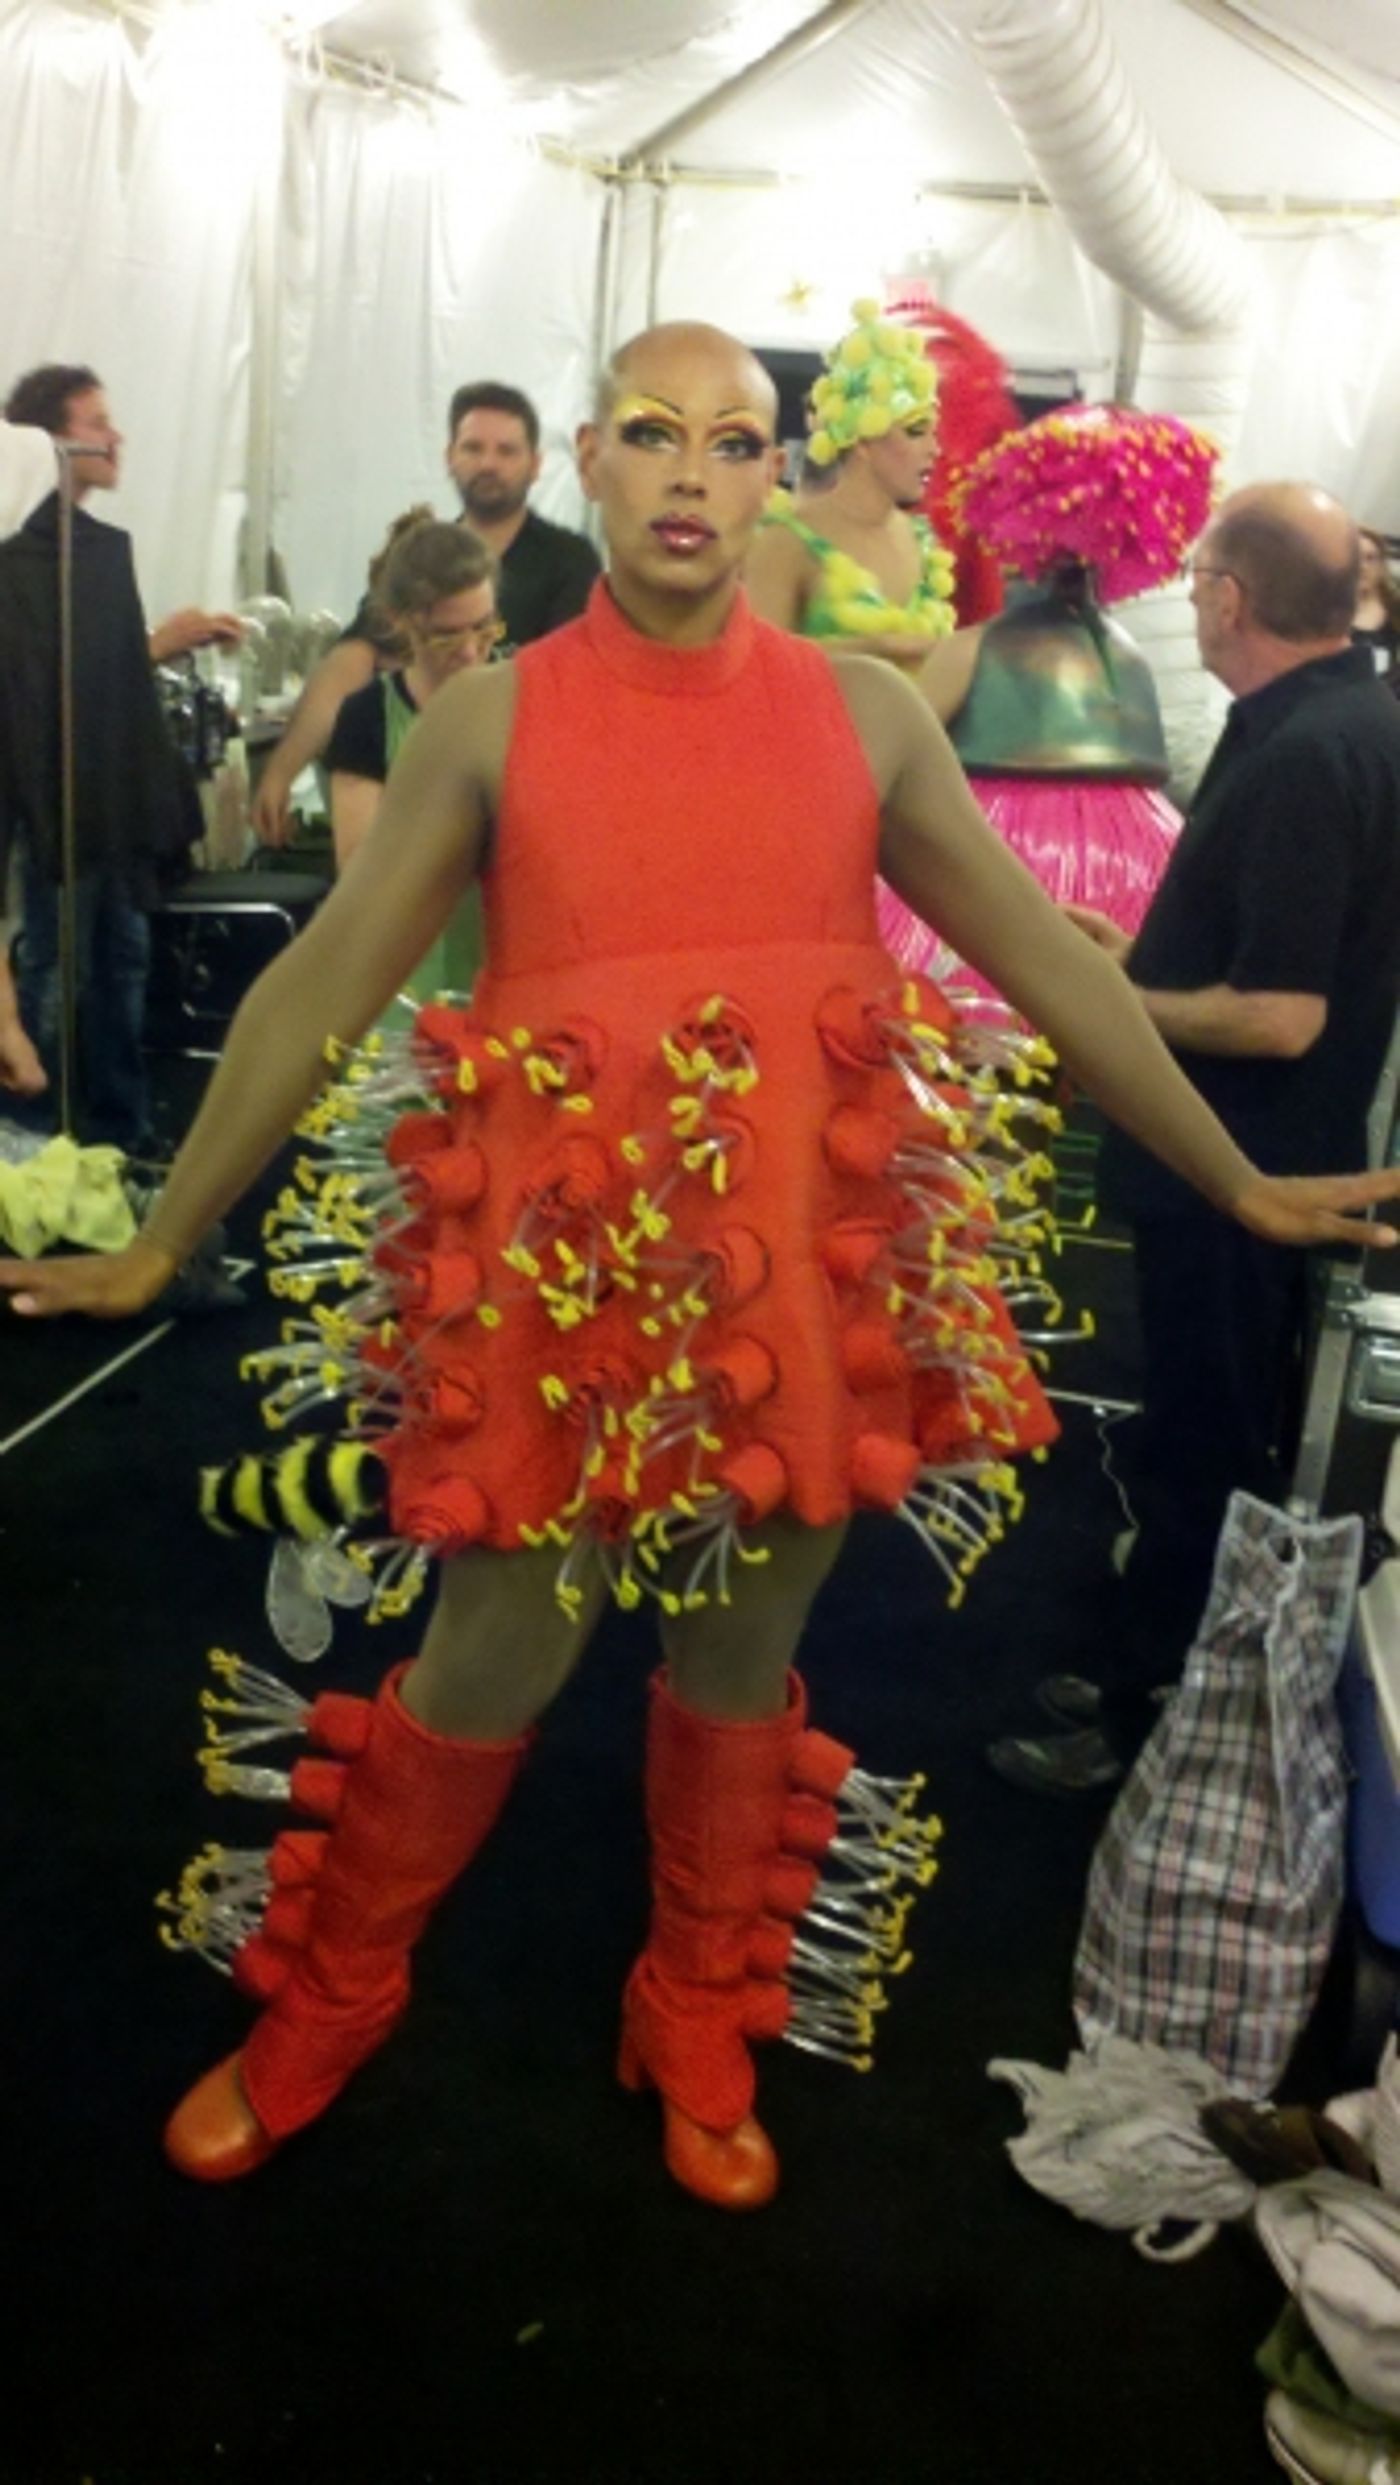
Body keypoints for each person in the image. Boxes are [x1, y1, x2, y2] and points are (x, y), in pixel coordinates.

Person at [4, 338, 1398, 2218]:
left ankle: (695, 2006)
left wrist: (1236, 1176)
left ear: (769, 480)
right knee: (494, 1648)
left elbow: (1058, 975)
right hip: (558, 1279)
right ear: (588, 461)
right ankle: (333, 1986)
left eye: (732, 443)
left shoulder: (869, 719)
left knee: (746, 1654)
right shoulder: (497, 719)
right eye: (652, 436)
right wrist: (167, 1233)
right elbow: (323, 977)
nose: (689, 476)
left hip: (794, 1287)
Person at [989, 483, 1400, 1798]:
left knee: (1203, 1456)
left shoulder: (1305, 752)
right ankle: (1151, 1678)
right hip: (1255, 1158)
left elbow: (1280, 1016)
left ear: (1228, 599)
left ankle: (1142, 1722)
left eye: (1198, 581)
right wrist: (1140, 956)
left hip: (1243, 1169)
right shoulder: (1332, 719)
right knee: (1199, 1444)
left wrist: (1108, 1005)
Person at [0, 365, 241, 1156]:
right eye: (97, 422)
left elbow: (100, 677)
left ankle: (119, 1127)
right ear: (50, 442)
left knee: (121, 966)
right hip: (49, 806)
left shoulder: (100, 552)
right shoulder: (18, 559)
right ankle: (30, 1139)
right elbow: (40, 684)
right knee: (47, 970)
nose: (116, 437)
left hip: (111, 804)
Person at [253, 382, 599, 845]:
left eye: (506, 450)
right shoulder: (420, 558)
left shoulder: (569, 561)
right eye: (473, 447)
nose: (488, 463)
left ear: (535, 465)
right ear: (449, 456)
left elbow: (565, 692)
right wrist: (280, 771)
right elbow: (349, 664)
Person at [325, 513, 498, 1015]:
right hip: (400, 985)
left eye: (485, 630)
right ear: (400, 622)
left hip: (499, 978)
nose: (470, 653)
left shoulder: (522, 704)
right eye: (446, 638)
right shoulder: (368, 717)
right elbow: (359, 871)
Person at [1352, 525, 1400, 679]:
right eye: (1356, 558)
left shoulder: (1395, 608)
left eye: (1370, 558)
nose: (1363, 566)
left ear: (1381, 566)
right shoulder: (1323, 610)